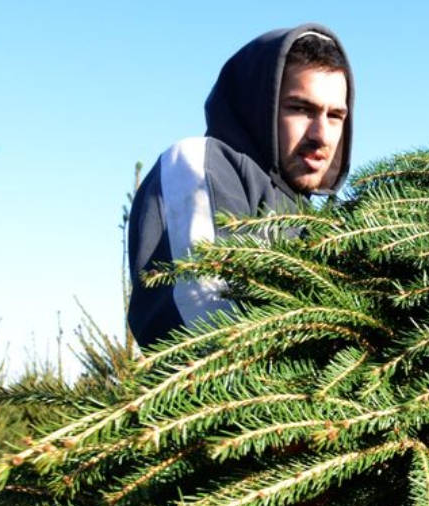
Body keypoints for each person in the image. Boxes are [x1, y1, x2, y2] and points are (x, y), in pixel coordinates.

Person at [127, 25, 354, 348]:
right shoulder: (199, 164)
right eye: (301, 109)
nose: (321, 134)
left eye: (335, 116)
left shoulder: (316, 222)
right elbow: (205, 315)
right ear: (259, 106)